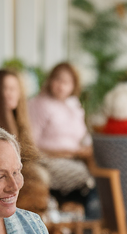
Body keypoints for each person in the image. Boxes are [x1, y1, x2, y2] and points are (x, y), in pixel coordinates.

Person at [0, 68, 51, 214]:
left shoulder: (15, 116)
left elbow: (28, 151)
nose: (11, 94)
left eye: (14, 89)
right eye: (6, 89)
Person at [27, 62, 96, 213]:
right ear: (50, 80)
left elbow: (83, 136)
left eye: (67, 82)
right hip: (48, 158)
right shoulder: (39, 104)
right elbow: (32, 143)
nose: (61, 85)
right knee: (86, 176)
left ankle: (86, 220)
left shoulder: (73, 105)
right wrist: (70, 152)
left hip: (74, 157)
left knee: (102, 170)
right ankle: (84, 221)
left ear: (73, 86)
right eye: (58, 80)